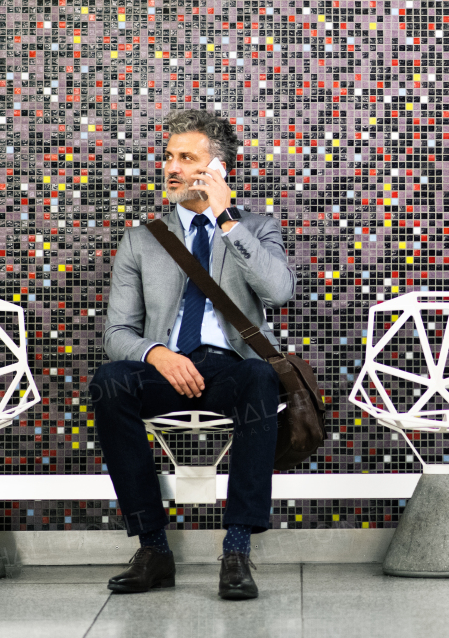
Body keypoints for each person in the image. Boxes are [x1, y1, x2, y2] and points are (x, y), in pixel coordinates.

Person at [90, 109, 295, 600]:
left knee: (260, 379)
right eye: (169, 157)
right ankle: (153, 548)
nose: (172, 168)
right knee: (109, 382)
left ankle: (238, 549)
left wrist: (225, 219)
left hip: (231, 370)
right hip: (165, 367)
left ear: (217, 168)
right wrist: (156, 353)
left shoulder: (256, 227)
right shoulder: (142, 239)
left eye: (187, 158)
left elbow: (279, 291)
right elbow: (116, 332)